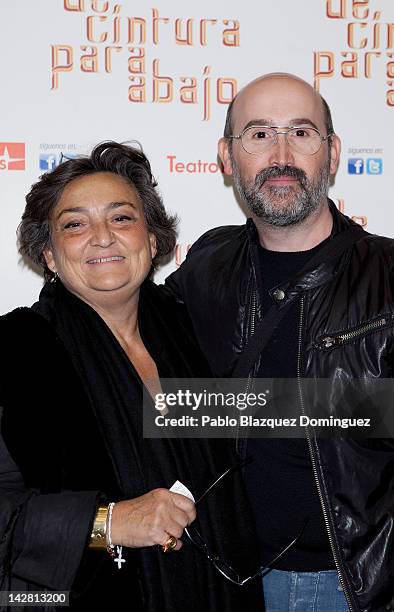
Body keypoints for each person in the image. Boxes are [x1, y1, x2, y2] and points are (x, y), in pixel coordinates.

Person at [166, 73, 394, 611]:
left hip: (357, 584)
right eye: (259, 134)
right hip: (225, 581)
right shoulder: (203, 267)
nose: (282, 154)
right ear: (226, 157)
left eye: (302, 132)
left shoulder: (388, 273)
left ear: (332, 152)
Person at [0, 141, 262, 611]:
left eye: (121, 218)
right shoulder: (13, 351)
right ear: (50, 256)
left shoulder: (198, 334)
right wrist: (106, 522)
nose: (103, 237)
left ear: (154, 240)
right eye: (75, 225)